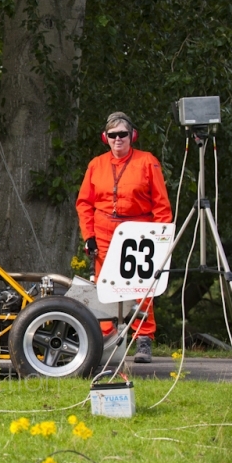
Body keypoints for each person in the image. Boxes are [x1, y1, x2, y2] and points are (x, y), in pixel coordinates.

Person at [76, 112, 173, 363]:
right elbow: (84, 204)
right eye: (113, 135)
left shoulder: (147, 162)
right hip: (104, 231)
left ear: (132, 136)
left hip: (139, 231)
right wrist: (89, 236)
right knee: (105, 287)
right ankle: (107, 338)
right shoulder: (96, 164)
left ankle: (143, 338)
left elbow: (162, 205)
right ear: (105, 138)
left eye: (123, 134)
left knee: (142, 286)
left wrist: (162, 240)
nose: (118, 139)